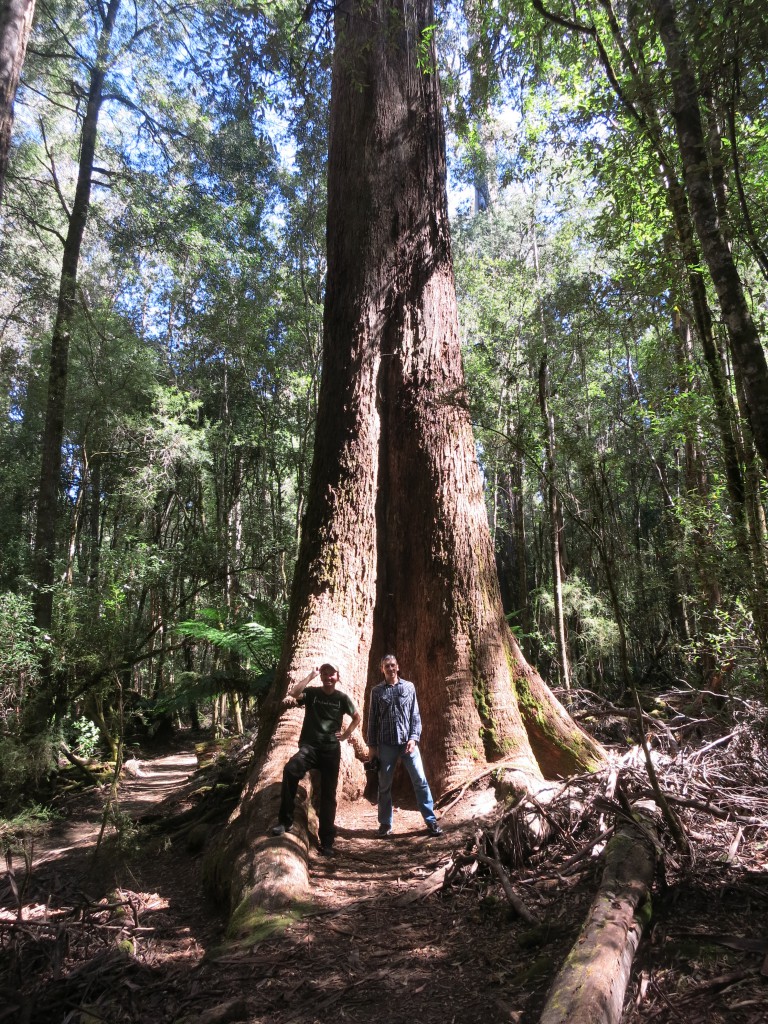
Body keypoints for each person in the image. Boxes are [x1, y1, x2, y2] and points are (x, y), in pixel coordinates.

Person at [271, 662, 360, 855]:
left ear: (337, 677)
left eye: (332, 674)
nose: (328, 676)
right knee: (290, 770)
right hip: (309, 748)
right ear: (322, 676)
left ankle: (327, 841)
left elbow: (356, 717)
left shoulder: (342, 698)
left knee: (329, 795)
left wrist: (346, 735)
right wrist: (311, 675)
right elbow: (293, 694)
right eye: (325, 673)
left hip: (330, 751)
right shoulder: (312, 693)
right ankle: (285, 821)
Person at [367, 654, 443, 838]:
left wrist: (414, 738)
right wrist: (372, 747)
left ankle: (431, 820)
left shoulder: (409, 687)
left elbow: (415, 715)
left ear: (398, 667)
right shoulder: (377, 692)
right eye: (387, 666)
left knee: (420, 781)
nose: (390, 669)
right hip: (386, 745)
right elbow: (372, 721)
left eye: (393, 665)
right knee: (384, 785)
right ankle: (385, 824)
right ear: (382, 669)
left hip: (408, 744)